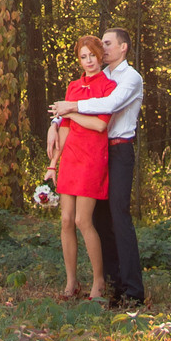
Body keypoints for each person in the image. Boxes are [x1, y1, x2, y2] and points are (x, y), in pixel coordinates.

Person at [50, 25, 144, 307]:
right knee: (100, 220)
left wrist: (71, 108)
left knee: (118, 215)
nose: (102, 50)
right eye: (96, 47)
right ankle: (111, 281)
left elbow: (107, 106)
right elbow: (70, 106)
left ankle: (132, 290)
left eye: (107, 44)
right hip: (95, 150)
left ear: (123, 47)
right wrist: (55, 124)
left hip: (118, 150)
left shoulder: (129, 78)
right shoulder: (103, 75)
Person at [44, 34, 114, 299]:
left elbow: (99, 124)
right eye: (83, 57)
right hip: (71, 157)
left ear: (100, 55)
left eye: (92, 55)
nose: (88, 61)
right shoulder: (73, 86)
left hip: (92, 157)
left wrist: (70, 111)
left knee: (83, 220)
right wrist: (53, 164)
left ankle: (99, 281)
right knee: (65, 221)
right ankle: (71, 282)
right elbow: (64, 128)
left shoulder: (108, 86)